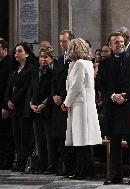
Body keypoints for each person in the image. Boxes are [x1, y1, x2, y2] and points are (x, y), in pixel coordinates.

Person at [98, 32, 130, 185]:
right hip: (112, 107)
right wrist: (112, 96)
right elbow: (101, 84)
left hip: (129, 106)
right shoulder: (104, 63)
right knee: (114, 142)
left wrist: (126, 96)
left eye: (122, 41)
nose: (120, 44)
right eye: (116, 42)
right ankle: (116, 174)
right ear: (110, 45)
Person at [61, 38, 102, 180]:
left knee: (81, 142)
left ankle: (82, 171)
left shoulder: (79, 64)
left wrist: (66, 102)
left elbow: (76, 87)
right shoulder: (86, 63)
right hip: (82, 104)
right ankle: (85, 170)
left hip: (81, 105)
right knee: (82, 142)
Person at [4, 42, 35, 172]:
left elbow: (26, 88)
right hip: (14, 108)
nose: (16, 53)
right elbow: (9, 87)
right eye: (16, 51)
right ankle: (19, 160)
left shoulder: (31, 69)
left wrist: (14, 100)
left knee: (25, 135)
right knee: (16, 135)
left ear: (27, 54)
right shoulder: (14, 70)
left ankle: (25, 161)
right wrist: (8, 100)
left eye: (20, 51)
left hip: (23, 106)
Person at [49, 30, 75, 176]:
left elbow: (73, 84)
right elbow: (54, 80)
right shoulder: (59, 60)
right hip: (57, 103)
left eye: (64, 41)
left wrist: (63, 97)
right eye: (60, 41)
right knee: (60, 136)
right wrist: (54, 95)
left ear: (71, 41)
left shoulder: (75, 60)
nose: (61, 44)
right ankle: (65, 166)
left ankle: (71, 167)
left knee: (69, 136)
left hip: (68, 103)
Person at [26, 45, 56, 174]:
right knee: (39, 140)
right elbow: (32, 90)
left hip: (47, 110)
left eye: (46, 57)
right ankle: (42, 166)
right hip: (35, 110)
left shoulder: (53, 73)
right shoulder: (35, 72)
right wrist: (31, 103)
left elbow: (52, 92)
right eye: (41, 57)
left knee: (49, 140)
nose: (43, 60)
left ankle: (51, 166)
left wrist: (44, 104)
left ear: (51, 58)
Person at [0, 39, 13, 169]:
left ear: (4, 49)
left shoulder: (9, 63)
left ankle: (7, 161)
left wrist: (4, 106)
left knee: (6, 134)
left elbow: (7, 87)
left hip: (4, 105)